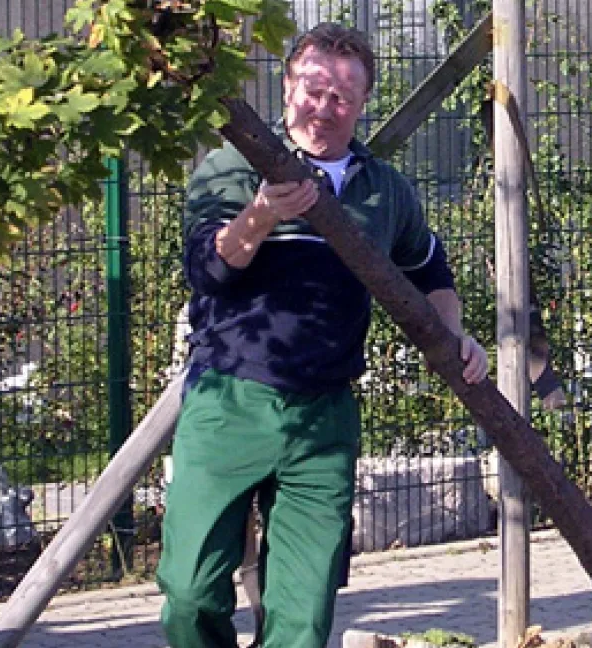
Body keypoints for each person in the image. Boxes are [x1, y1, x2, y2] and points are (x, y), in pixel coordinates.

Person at [156, 22, 490, 648]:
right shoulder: (231, 169)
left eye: (342, 97)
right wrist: (262, 214)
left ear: (361, 105)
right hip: (229, 401)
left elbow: (430, 271)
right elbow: (208, 272)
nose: (324, 108)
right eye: (313, 91)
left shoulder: (384, 191)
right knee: (189, 594)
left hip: (324, 416)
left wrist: (455, 336)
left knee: (304, 617)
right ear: (287, 88)